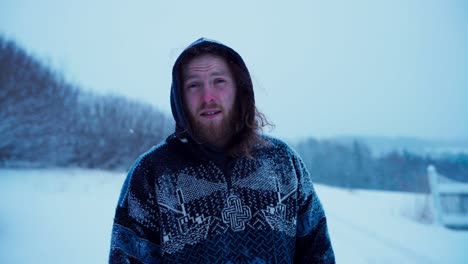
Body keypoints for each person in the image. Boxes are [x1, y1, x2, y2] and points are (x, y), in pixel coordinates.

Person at [109, 38, 335, 263]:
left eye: (219, 81)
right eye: (194, 85)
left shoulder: (282, 162)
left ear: (239, 89)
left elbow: (317, 253)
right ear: (179, 97)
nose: (208, 97)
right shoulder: (152, 173)